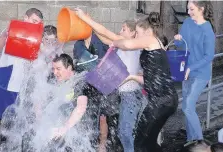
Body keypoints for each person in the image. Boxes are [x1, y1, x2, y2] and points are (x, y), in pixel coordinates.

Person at [75, 8, 178, 152]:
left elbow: (124, 43)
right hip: (160, 99)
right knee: (145, 143)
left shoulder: (150, 39)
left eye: (138, 33)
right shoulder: (150, 45)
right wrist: (88, 21)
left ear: (147, 32)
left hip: (160, 100)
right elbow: (105, 35)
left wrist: (114, 42)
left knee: (139, 142)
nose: (137, 37)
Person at [0, 8, 44, 152]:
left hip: (20, 83)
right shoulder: (11, 30)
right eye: (33, 21)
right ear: (25, 18)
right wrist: (4, 35)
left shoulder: (35, 38)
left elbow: (38, 62)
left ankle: (15, 147)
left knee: (17, 118)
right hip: (3, 78)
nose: (35, 24)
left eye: (38, 23)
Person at [99, 20, 144, 152]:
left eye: (123, 29)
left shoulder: (130, 46)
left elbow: (106, 33)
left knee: (125, 132)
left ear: (132, 33)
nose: (120, 31)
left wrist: (87, 21)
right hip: (123, 94)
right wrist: (90, 28)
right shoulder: (123, 45)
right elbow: (104, 38)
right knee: (124, 132)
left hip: (130, 95)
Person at [174, 1, 215, 145]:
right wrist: (178, 40)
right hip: (187, 71)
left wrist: (191, 68)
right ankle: (190, 140)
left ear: (201, 9)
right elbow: (182, 45)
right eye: (188, 9)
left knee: (187, 106)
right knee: (187, 106)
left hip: (200, 73)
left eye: (191, 9)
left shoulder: (207, 29)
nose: (189, 12)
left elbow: (209, 56)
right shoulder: (186, 23)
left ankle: (200, 143)